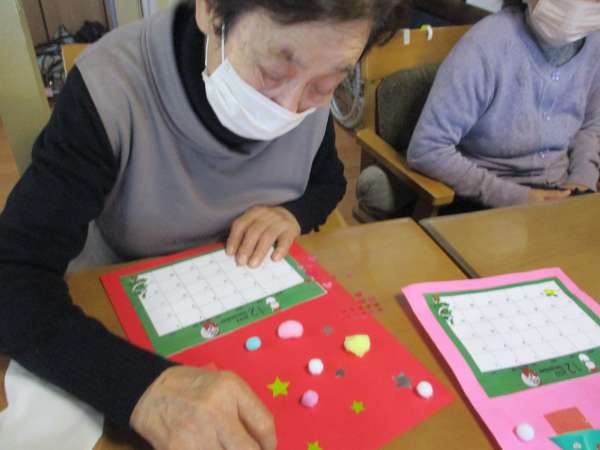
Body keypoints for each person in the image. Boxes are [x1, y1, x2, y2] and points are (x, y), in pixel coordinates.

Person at [0, 0, 407, 448]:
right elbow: (11, 276)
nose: (290, 109)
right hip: (117, 320)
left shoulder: (310, 92)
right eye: (272, 72)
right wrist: (141, 388)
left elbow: (327, 181)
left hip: (248, 308)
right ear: (211, 10)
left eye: (326, 84)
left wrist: (294, 213)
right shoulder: (111, 89)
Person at [356, 0, 600, 219]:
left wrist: (581, 182)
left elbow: (590, 126)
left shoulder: (594, 46)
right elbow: (428, 148)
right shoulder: (486, 44)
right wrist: (520, 198)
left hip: (562, 197)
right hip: (486, 201)